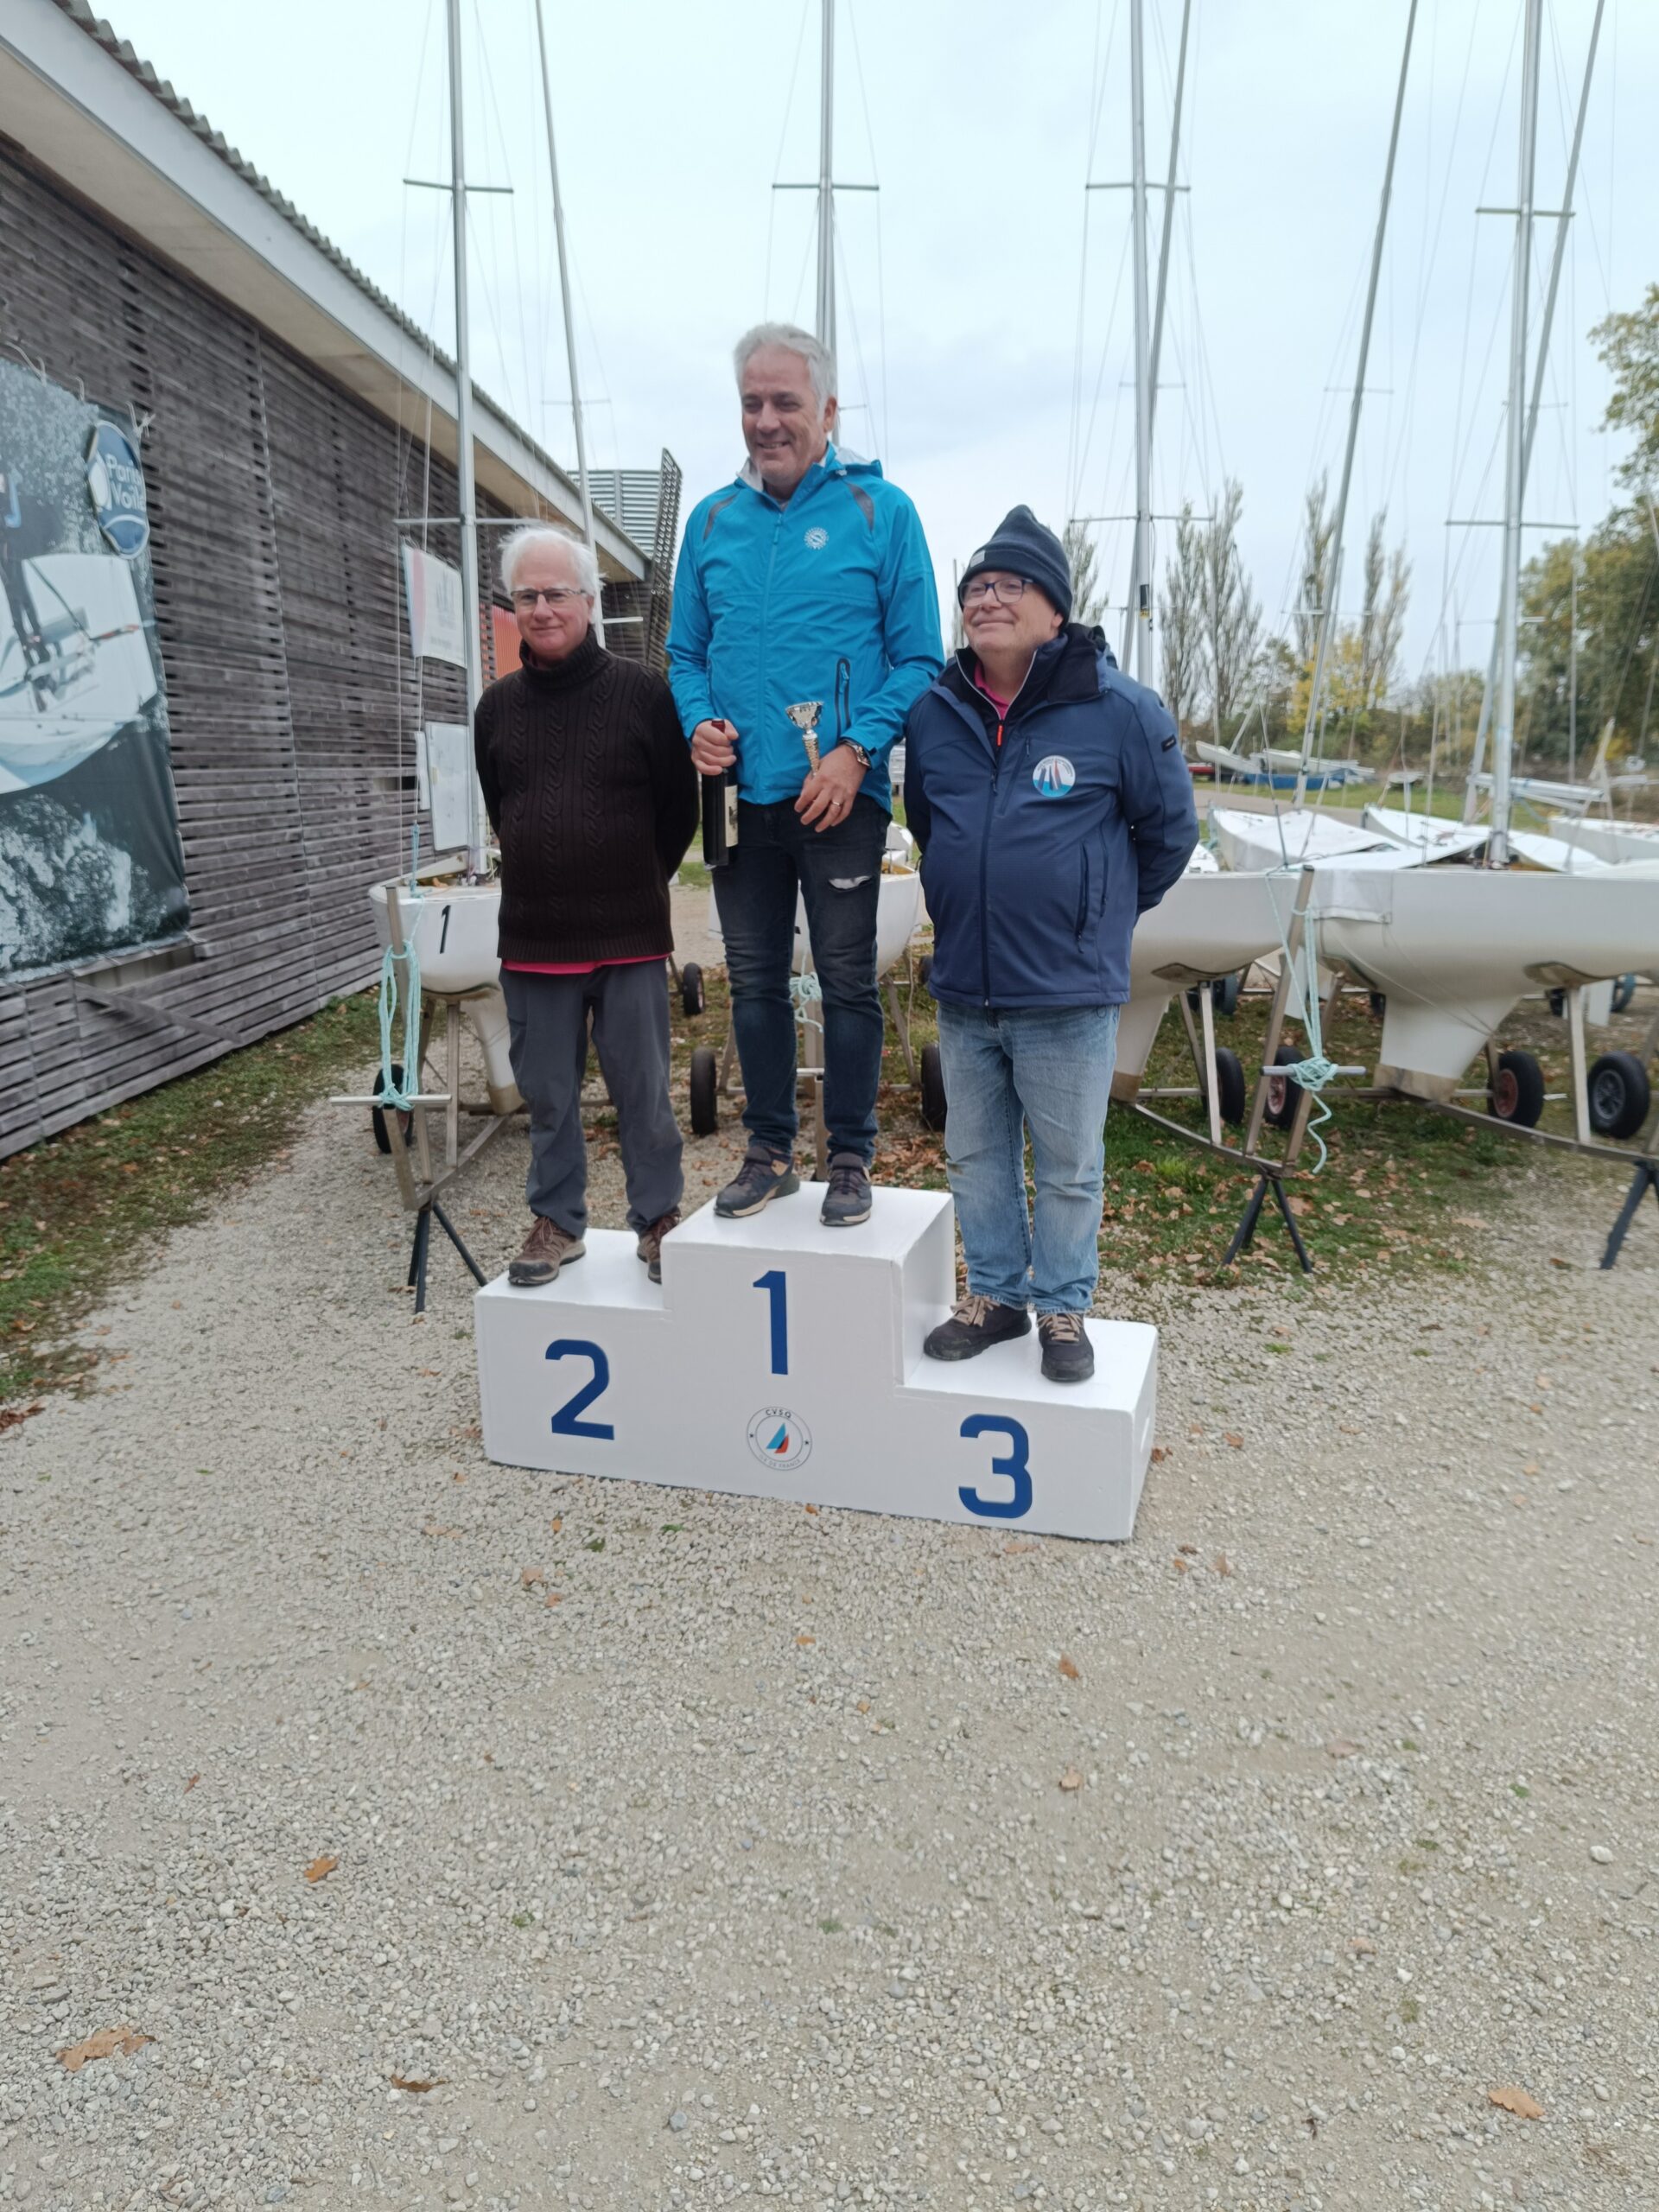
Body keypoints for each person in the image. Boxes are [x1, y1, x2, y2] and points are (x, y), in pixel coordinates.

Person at [902, 507, 1198, 1382]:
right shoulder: (935, 713)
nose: (987, 599)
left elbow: (1169, 833)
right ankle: (996, 1296)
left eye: (1010, 585)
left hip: (1068, 995)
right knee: (975, 1155)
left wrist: (1097, 916)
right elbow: (929, 825)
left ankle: (1064, 1308)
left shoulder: (1121, 711)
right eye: (976, 587)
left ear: (1056, 609)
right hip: (966, 989)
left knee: (1068, 1167)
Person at [666, 321, 943, 1228]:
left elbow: (918, 659)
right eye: (752, 402)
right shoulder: (710, 521)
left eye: (786, 402)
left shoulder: (881, 511)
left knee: (846, 979)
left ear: (827, 408)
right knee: (750, 982)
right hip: (742, 802)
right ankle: (770, 1149)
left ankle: (852, 1155)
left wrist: (857, 747)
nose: (767, 420)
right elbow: (683, 653)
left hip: (842, 797)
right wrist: (698, 721)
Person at [474, 524, 698, 1288]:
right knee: (547, 1094)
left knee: (644, 1090)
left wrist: (633, 881)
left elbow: (678, 810)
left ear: (590, 600)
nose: (541, 608)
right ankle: (558, 1221)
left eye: (556, 593)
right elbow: (502, 807)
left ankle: (658, 1216)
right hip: (534, 938)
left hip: (630, 934)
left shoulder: (644, 695)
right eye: (526, 595)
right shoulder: (495, 708)